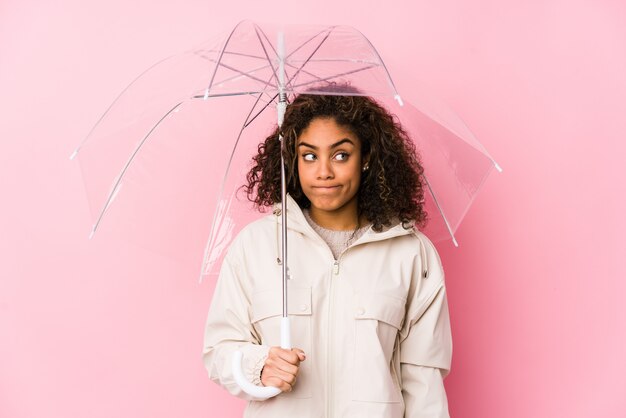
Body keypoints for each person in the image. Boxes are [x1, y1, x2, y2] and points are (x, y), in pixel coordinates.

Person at [203, 90, 453, 418]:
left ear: (365, 158)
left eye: (340, 155)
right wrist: (258, 366)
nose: (323, 172)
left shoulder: (411, 253)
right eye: (309, 156)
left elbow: (424, 383)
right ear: (292, 159)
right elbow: (218, 351)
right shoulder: (255, 246)